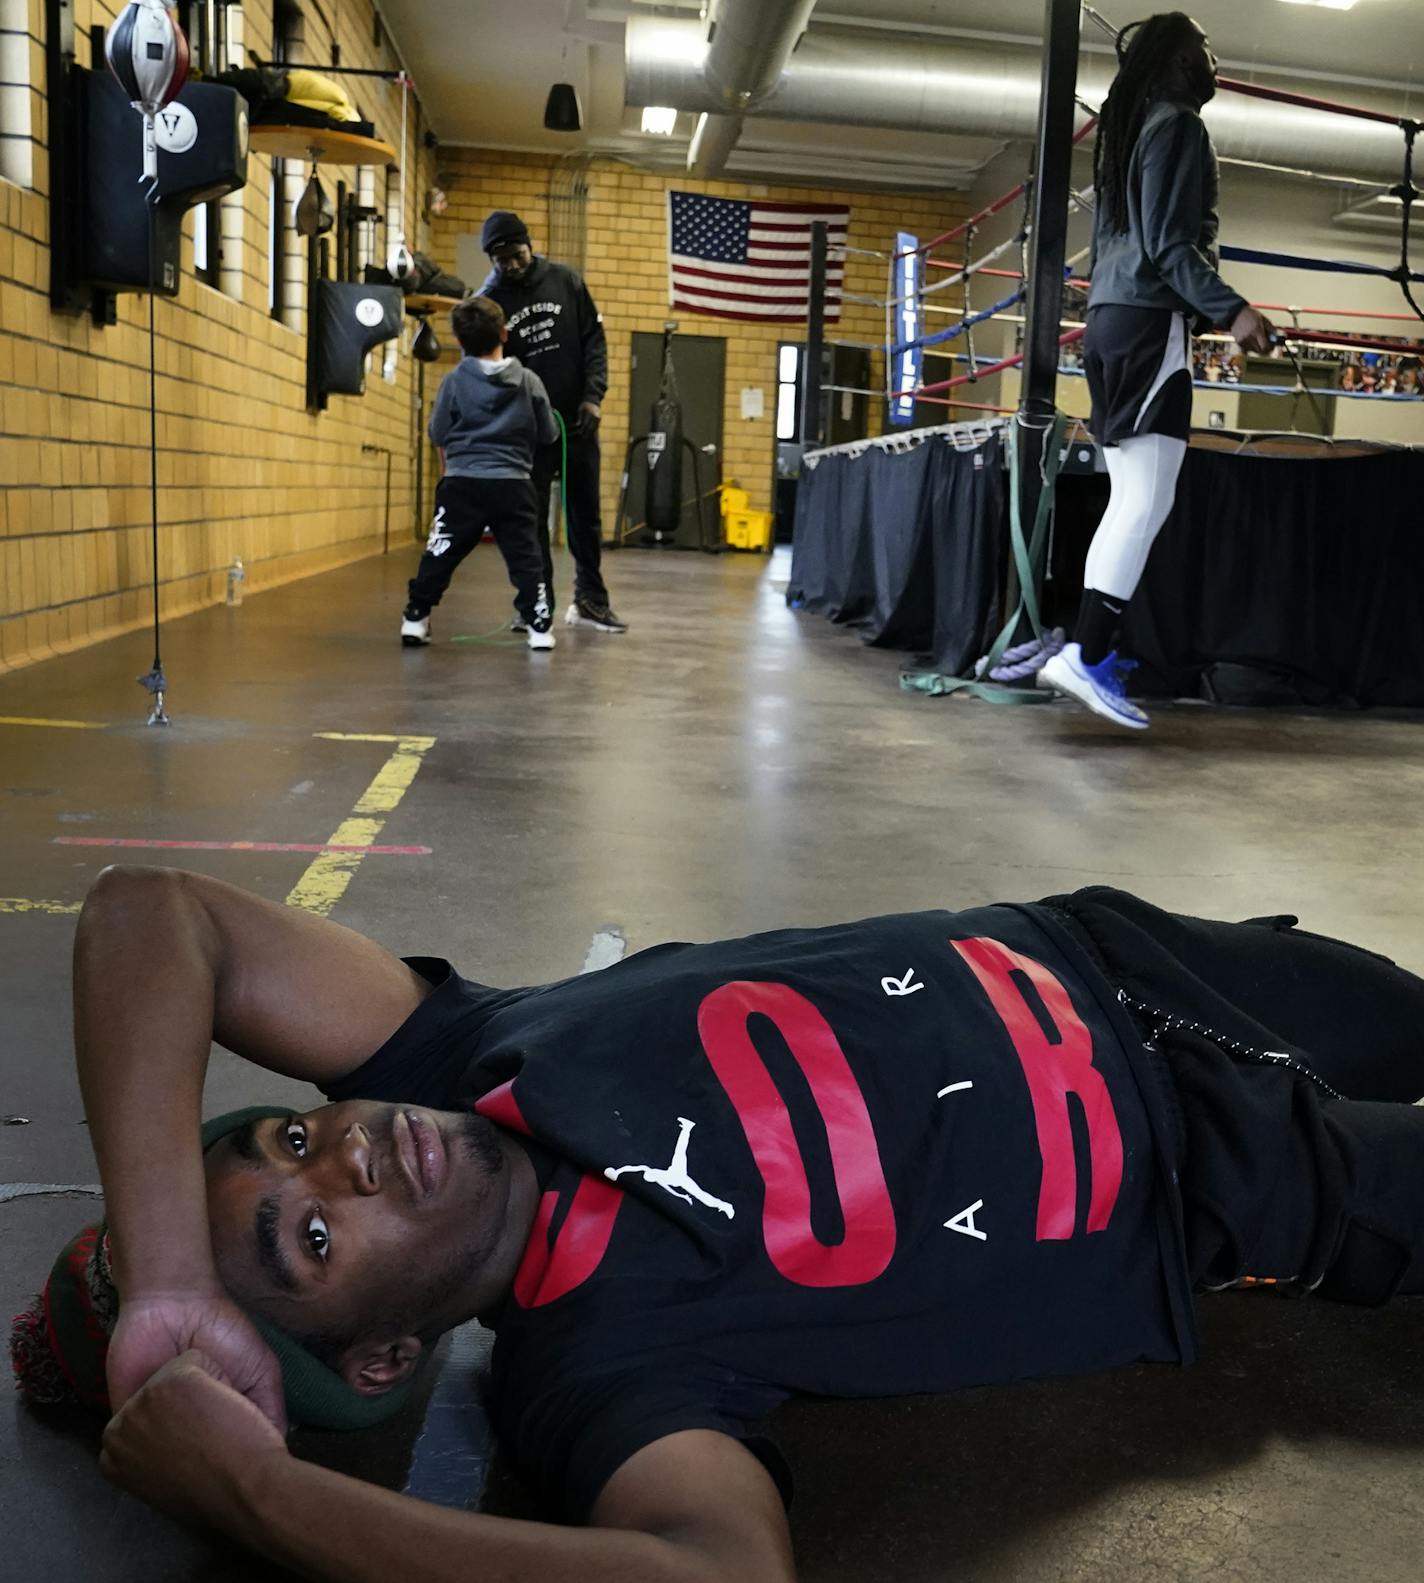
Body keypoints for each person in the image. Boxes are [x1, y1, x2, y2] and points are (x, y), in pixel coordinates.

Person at [14, 865, 1424, 1580]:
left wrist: (173, 1288)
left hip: (1127, 955)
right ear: (384, 1359)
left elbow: (154, 912)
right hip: (1235, 1174)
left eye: (295, 1134)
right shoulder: (601, 1366)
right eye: (309, 1240)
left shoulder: (451, 1056)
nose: (347, 1158)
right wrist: (260, 1495)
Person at [1039, 13, 1275, 731]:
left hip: (1110, 323)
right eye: (1203, 48)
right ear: (1175, 59)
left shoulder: (1129, 130)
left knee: (1130, 498)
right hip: (1143, 323)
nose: (1213, 59)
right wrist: (1233, 311)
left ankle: (1087, 650)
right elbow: (1170, 245)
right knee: (1145, 500)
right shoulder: (1175, 125)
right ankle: (1085, 652)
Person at [478, 211, 628, 635]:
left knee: (585, 516)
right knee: (529, 521)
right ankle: (535, 604)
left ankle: (591, 602)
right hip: (528, 432)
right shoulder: (490, 301)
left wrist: (593, 398)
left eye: (517, 254)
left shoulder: (566, 281)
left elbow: (594, 342)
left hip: (577, 421)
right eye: (501, 259)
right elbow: (485, 367)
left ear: (530, 245)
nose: (511, 265)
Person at [401, 296, 559, 652]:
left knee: (440, 552)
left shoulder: (454, 382)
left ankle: (415, 617)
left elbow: (437, 433)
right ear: (504, 333)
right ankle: (539, 627)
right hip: (513, 485)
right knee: (525, 557)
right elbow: (549, 433)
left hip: (462, 485)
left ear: (458, 341)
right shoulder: (530, 382)